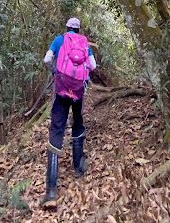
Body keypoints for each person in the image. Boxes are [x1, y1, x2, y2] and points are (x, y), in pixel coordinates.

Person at [41, 17, 97, 208]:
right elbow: (93, 66)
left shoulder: (59, 39)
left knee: (57, 129)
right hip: (78, 91)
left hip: (61, 89)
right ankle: (78, 168)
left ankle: (50, 191)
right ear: (79, 29)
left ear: (66, 28)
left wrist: (54, 72)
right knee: (78, 123)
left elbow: (47, 59)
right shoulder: (84, 43)